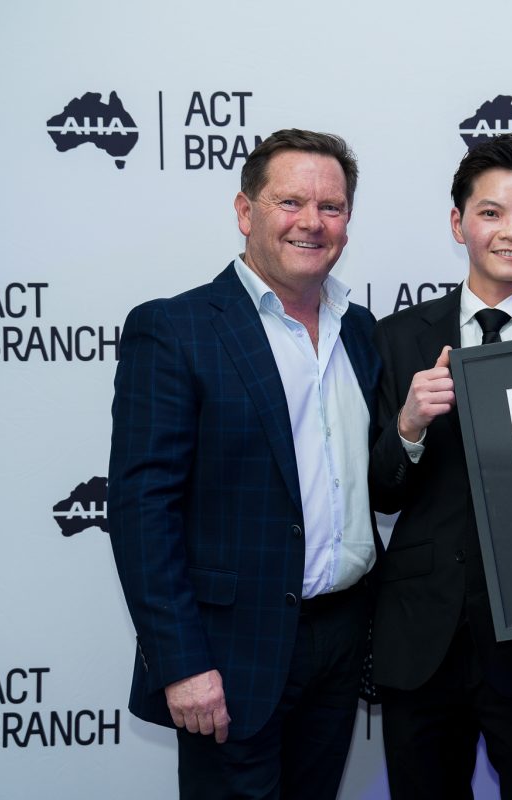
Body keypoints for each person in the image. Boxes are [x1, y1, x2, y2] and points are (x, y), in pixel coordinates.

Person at [107, 129, 380, 800]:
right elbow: (143, 511)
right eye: (290, 201)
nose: (312, 222)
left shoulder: (362, 330)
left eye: (332, 206)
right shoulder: (177, 329)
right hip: (230, 658)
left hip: (341, 644)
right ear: (244, 211)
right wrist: (181, 664)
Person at [369, 134, 512, 800]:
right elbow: (381, 492)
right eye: (492, 213)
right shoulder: (398, 336)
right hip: (421, 636)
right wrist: (409, 422)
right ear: (458, 223)